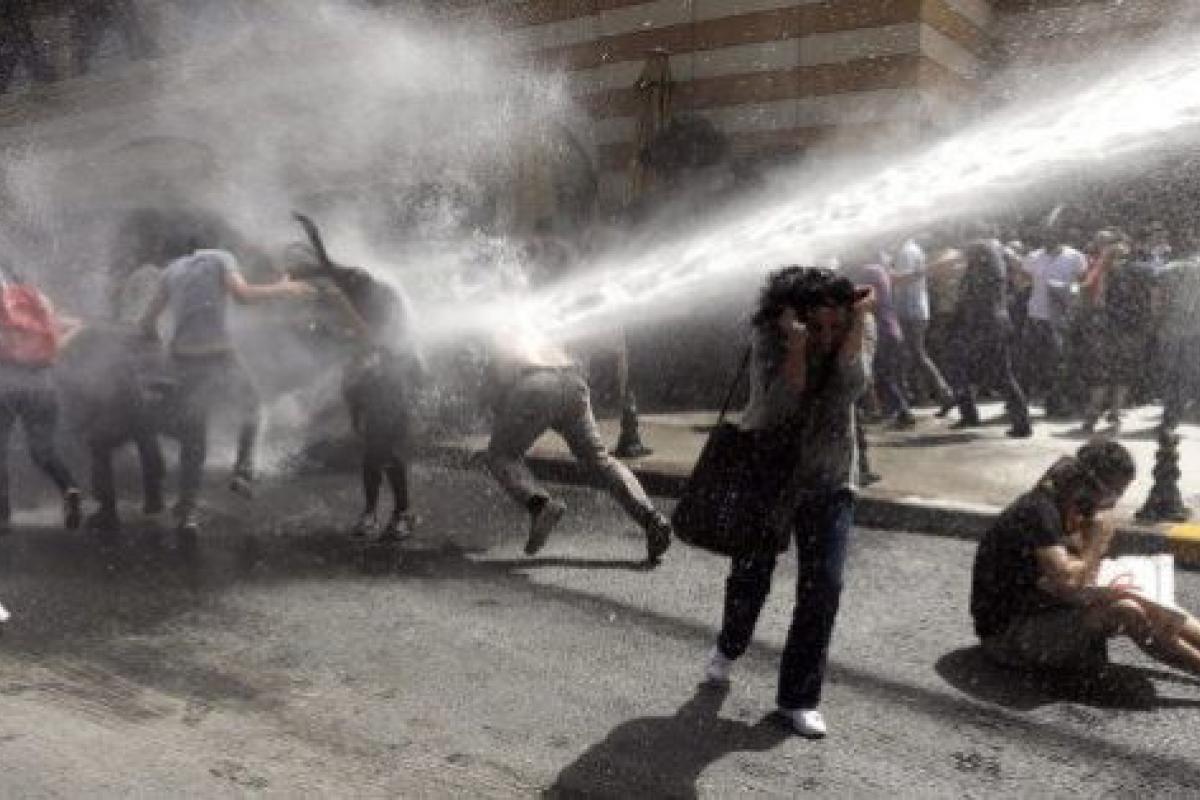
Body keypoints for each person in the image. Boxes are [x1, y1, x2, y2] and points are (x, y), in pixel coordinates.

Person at [703, 266, 875, 738]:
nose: (827, 335)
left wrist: (856, 326)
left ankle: (798, 698)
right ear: (794, 318)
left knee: (824, 585)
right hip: (770, 474)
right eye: (817, 326)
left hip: (831, 476)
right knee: (751, 575)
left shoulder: (859, 327)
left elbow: (849, 391)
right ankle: (729, 645)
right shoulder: (769, 336)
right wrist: (796, 351)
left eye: (836, 324)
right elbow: (774, 409)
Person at [972, 439, 1200, 677]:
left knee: (1154, 602)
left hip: (1046, 611)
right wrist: (1096, 542)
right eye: (1112, 494)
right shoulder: (1037, 511)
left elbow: (1078, 573)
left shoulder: (1068, 506)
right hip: (1006, 637)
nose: (1113, 503)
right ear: (1087, 484)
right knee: (1127, 610)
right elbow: (1069, 581)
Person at [140, 243, 311, 535]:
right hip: (218, 354)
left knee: (194, 437)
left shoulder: (170, 271)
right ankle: (242, 471)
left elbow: (147, 322)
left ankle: (187, 512)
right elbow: (243, 296)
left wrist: (156, 341)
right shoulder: (221, 257)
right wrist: (284, 288)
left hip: (183, 359)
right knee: (252, 405)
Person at [482, 321, 672, 563]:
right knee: (600, 461)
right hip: (573, 383)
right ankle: (652, 519)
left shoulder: (499, 327)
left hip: (535, 385)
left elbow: (500, 382)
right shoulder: (535, 324)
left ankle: (540, 505)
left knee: (500, 455)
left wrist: (501, 412)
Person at [286, 242, 422, 541]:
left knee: (379, 450)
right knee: (375, 451)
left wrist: (341, 307)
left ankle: (395, 513)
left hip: (390, 382)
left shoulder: (377, 299)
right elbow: (325, 266)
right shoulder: (344, 289)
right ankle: (380, 513)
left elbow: (372, 340)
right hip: (364, 383)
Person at [0, 263, 83, 535]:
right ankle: (69, 488)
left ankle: (2, 517)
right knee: (42, 450)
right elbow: (58, 336)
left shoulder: (5, 305)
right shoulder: (38, 300)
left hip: (6, 384)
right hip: (42, 384)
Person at [945, 226, 1032, 437]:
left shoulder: (983, 258)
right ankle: (1013, 421)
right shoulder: (993, 267)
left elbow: (970, 298)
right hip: (988, 324)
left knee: (996, 373)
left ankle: (1019, 423)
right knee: (992, 373)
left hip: (985, 325)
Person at [1079, 233, 1154, 435]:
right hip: (1131, 328)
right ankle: (1115, 412)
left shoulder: (1106, 272)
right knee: (1123, 372)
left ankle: (1092, 414)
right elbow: (1150, 299)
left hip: (1108, 328)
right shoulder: (1141, 271)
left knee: (1102, 372)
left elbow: (1098, 301)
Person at [1021, 227, 1087, 417]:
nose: (1048, 241)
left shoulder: (1075, 257)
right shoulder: (1033, 257)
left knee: (1060, 361)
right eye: (1045, 237)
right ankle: (1035, 398)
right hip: (1037, 315)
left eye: (1052, 237)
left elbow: (1082, 283)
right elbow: (1024, 281)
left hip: (1062, 317)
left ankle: (1057, 402)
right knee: (1036, 361)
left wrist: (1066, 290)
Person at [845, 257, 913, 429]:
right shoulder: (879, 270)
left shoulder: (867, 272)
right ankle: (897, 411)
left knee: (883, 376)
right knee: (888, 375)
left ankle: (902, 412)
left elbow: (865, 300)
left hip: (882, 331)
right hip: (892, 329)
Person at [888, 236, 953, 408]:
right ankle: (923, 394)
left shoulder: (906, 252)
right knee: (913, 355)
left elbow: (905, 278)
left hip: (910, 311)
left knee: (916, 354)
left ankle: (944, 392)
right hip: (914, 310)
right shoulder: (911, 249)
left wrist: (889, 275)